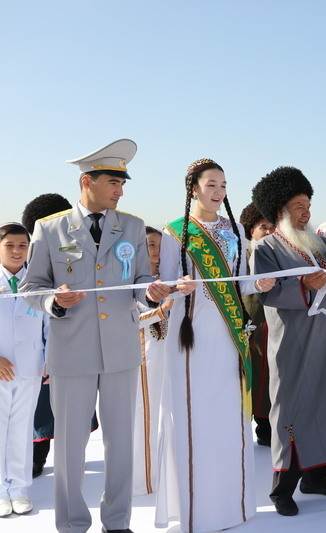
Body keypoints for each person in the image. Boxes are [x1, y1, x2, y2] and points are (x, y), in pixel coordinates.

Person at [20, 139, 170, 533]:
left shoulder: (132, 226)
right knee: (71, 445)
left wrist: (151, 291)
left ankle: (117, 521)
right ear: (87, 181)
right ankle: (72, 524)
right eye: (113, 183)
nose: (120, 191)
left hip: (120, 349)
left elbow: (140, 278)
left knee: (121, 442)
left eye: (122, 184)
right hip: (73, 351)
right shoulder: (49, 229)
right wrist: (54, 300)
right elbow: (31, 287)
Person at [155, 159, 273, 532]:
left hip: (229, 332)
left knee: (229, 418)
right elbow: (165, 283)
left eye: (223, 185)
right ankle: (199, 512)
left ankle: (233, 506)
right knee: (195, 417)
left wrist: (259, 284)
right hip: (191, 333)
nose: (219, 192)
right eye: (211, 185)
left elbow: (239, 281)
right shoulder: (176, 232)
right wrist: (177, 287)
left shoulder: (235, 229)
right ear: (193, 189)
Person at [251, 166, 326, 517]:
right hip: (296, 342)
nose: (306, 212)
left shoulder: (321, 242)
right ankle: (282, 489)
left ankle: (317, 478)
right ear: (281, 209)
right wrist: (303, 286)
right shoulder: (266, 247)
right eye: (299, 206)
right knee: (293, 409)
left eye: (308, 205)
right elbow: (267, 294)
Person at [20, 192, 95, 480]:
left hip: (71, 342)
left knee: (71, 408)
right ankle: (35, 459)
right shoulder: (27, 264)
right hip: (32, 350)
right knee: (37, 410)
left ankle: (67, 462)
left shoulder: (74, 258)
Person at [0, 223, 48, 517]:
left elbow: (50, 325)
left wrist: (50, 359)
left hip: (30, 366)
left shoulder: (37, 281)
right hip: (1, 368)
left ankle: (18, 489)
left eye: (22, 245)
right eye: (9, 245)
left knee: (21, 429)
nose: (17, 251)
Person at [132, 227, 172, 496]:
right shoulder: (132, 282)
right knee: (145, 416)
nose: (156, 251)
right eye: (150, 245)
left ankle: (171, 474)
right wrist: (161, 311)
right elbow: (129, 320)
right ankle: (144, 479)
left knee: (172, 413)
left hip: (174, 353)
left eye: (159, 245)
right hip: (146, 356)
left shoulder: (171, 279)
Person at [239, 202, 275, 447]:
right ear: (251, 230)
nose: (269, 232)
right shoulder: (243, 257)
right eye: (263, 227)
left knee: (270, 377)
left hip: (274, 326)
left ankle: (268, 426)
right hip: (249, 325)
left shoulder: (280, 257)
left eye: (273, 227)